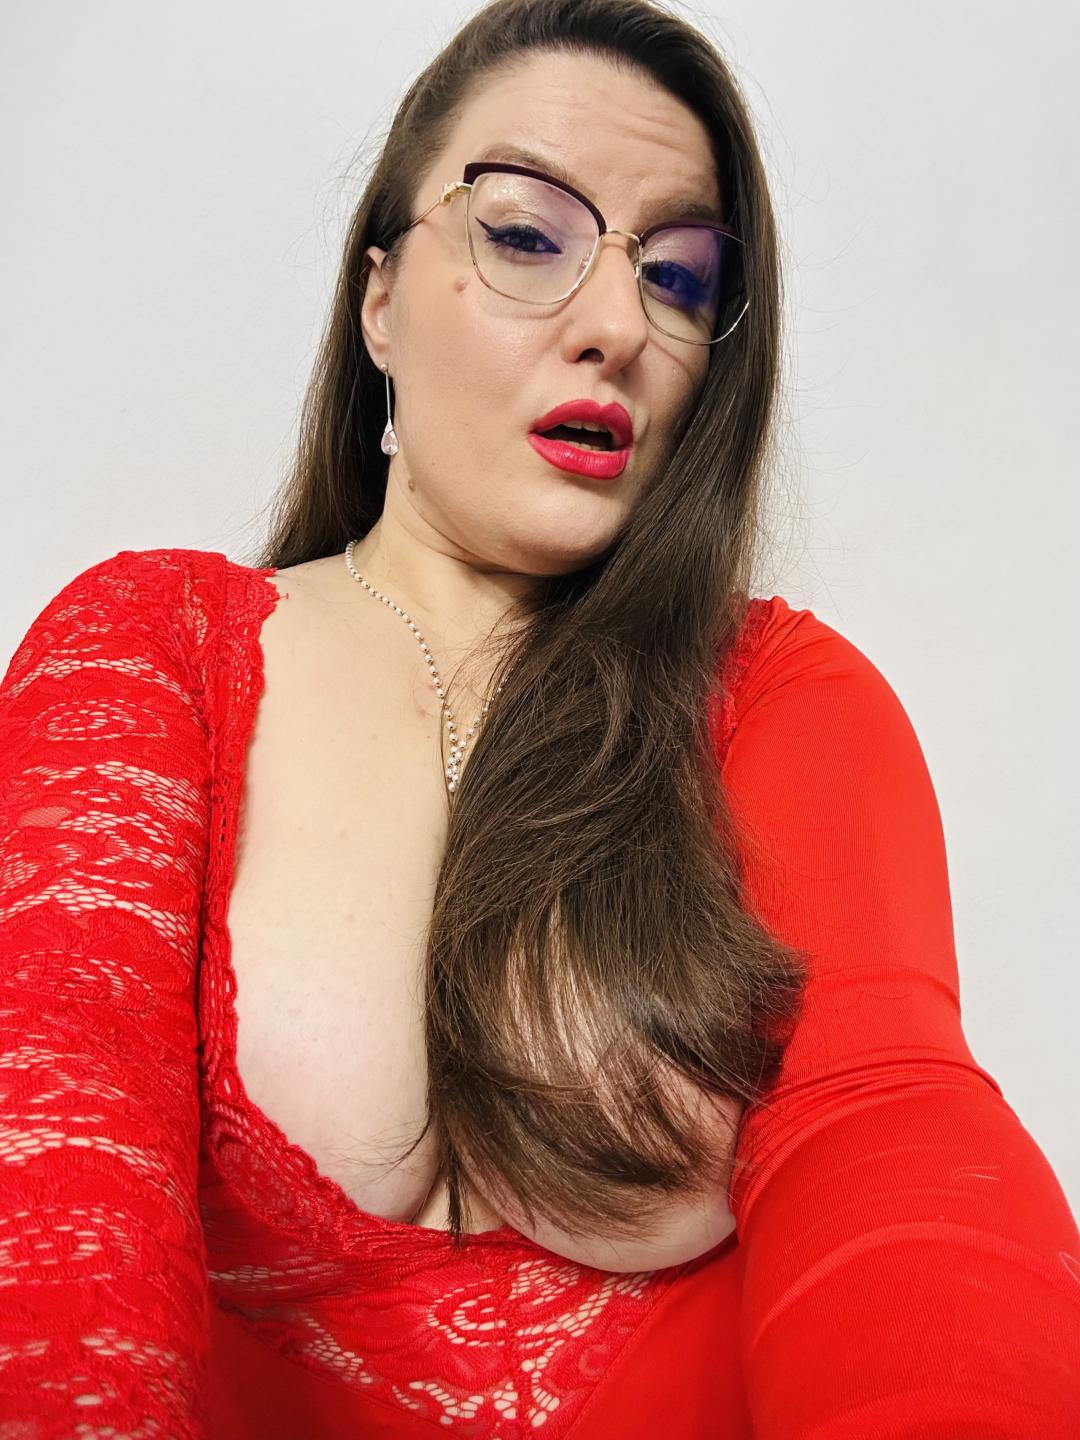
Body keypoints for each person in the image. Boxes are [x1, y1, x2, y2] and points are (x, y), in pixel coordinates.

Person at [1, 0, 1077, 1434]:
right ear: (380, 299)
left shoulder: (780, 694)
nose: (620, 327)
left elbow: (892, 1144)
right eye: (525, 236)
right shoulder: (155, 650)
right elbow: (55, 1174)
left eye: (679, 278)